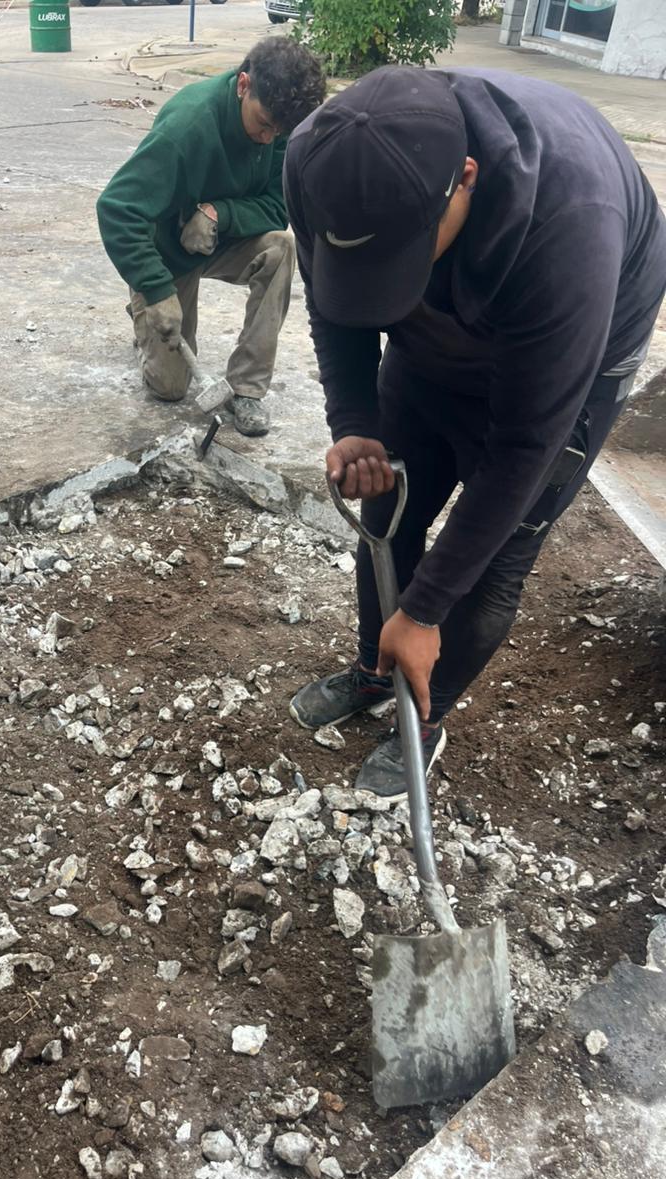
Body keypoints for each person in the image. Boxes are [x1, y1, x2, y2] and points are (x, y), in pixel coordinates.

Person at [283, 66, 666, 801]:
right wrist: (355, 423)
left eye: (399, 258)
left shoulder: (571, 224)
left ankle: (424, 718)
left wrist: (425, 609)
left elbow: (524, 444)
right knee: (389, 510)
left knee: (492, 564)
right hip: (440, 333)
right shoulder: (320, 159)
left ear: (464, 178)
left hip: (569, 356)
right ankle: (374, 674)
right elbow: (335, 299)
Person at [96, 38, 325, 438]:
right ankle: (144, 309)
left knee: (281, 248)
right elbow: (117, 208)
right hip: (168, 252)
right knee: (170, 388)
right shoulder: (187, 126)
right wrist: (155, 288)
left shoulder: (280, 124)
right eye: (264, 123)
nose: (269, 138)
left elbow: (278, 206)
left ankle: (247, 388)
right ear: (243, 85)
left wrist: (220, 213)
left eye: (279, 130)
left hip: (222, 239)